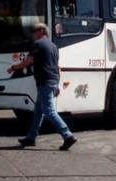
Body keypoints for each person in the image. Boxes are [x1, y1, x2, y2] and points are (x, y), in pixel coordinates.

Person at [7, 23, 77, 151]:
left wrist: (13, 68)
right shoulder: (54, 46)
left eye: (34, 31)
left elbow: (28, 61)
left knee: (49, 111)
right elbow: (58, 67)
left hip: (44, 81)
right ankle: (31, 138)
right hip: (52, 80)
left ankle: (68, 136)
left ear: (41, 31)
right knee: (38, 111)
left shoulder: (38, 45)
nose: (32, 34)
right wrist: (57, 84)